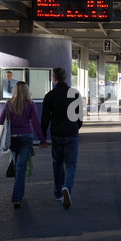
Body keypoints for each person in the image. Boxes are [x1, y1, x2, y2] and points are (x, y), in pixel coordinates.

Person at [0, 81, 47, 209]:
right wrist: (42, 140)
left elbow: (0, 120)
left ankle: (17, 195)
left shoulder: (9, 104)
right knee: (20, 167)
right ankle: (17, 197)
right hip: (26, 138)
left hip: (12, 139)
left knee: (17, 165)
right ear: (26, 90)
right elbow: (36, 123)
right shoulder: (31, 104)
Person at [41, 67, 83, 209]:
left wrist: (42, 136)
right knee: (71, 164)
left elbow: (45, 118)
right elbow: (80, 118)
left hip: (57, 135)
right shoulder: (75, 94)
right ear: (65, 78)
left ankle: (58, 193)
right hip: (71, 134)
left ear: (54, 78)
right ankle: (67, 188)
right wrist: (75, 128)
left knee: (57, 163)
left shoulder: (50, 95)